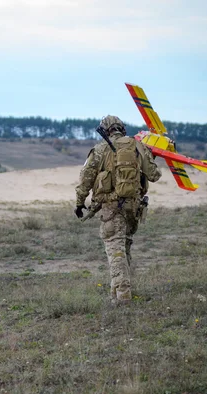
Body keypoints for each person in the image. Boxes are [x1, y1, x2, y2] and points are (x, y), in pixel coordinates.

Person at [75, 116, 161, 302]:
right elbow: (154, 175)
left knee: (115, 249)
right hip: (134, 207)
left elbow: (85, 180)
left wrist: (79, 202)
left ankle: (123, 296)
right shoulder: (138, 146)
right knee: (124, 247)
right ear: (122, 128)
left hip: (110, 207)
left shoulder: (99, 150)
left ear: (105, 131)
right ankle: (116, 293)